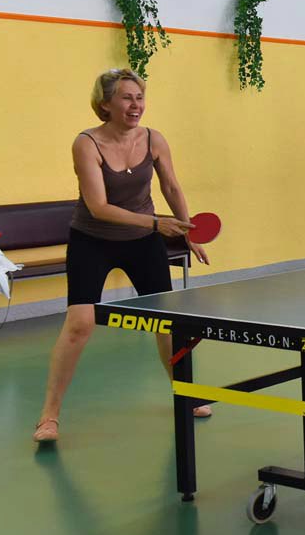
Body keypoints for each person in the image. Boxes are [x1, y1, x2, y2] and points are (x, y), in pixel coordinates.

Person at [33, 69, 211, 443]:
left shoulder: (154, 139)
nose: (136, 105)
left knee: (167, 322)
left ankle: (186, 393)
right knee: (80, 323)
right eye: (127, 98)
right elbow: (98, 207)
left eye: (140, 97)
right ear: (105, 104)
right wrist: (156, 223)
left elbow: (171, 186)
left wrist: (188, 230)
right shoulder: (87, 143)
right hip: (92, 240)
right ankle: (49, 416)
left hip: (142, 241)